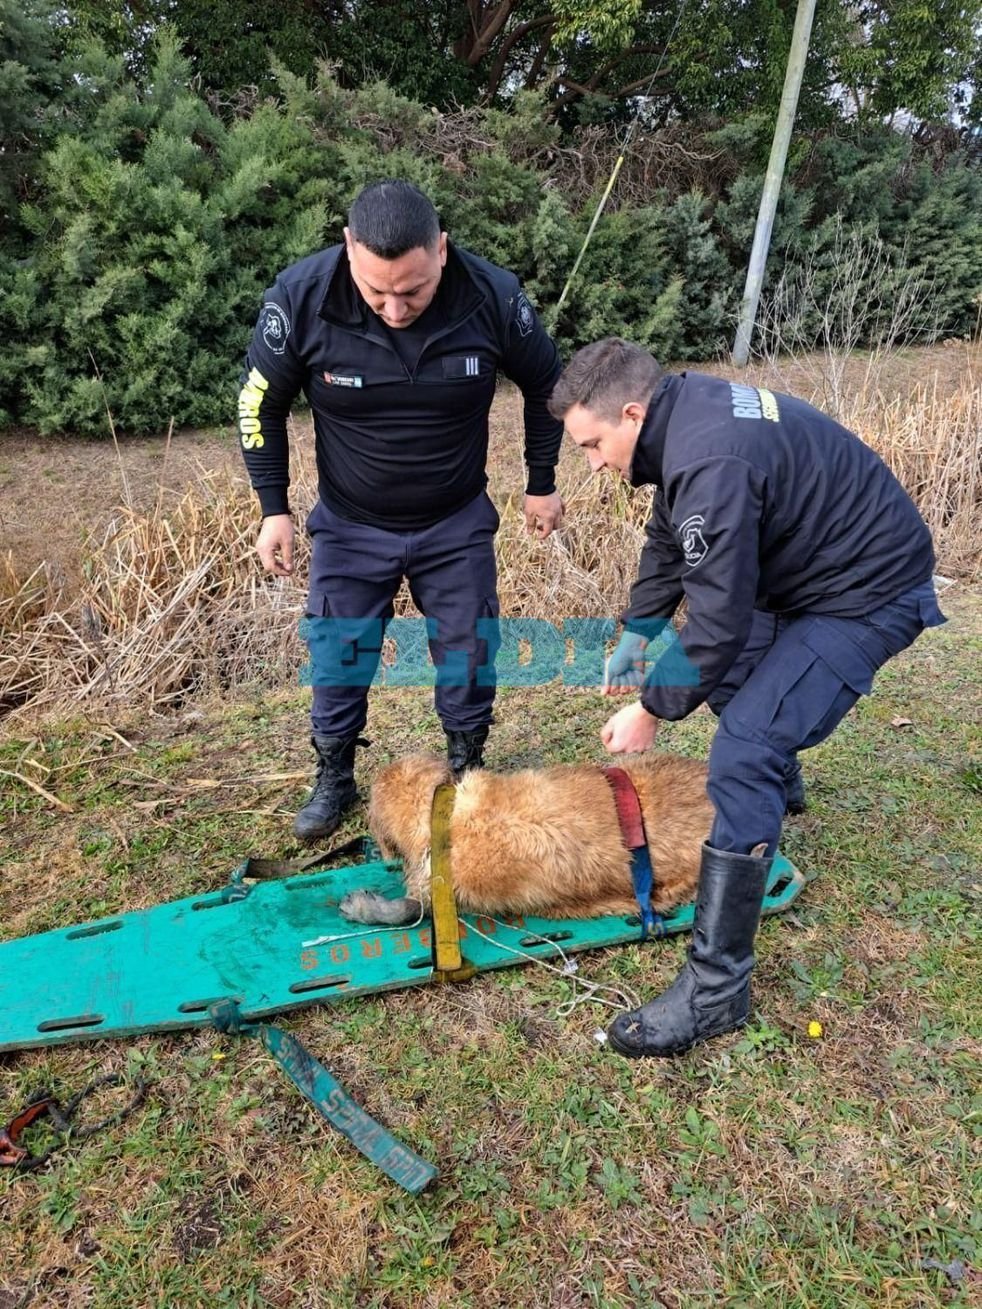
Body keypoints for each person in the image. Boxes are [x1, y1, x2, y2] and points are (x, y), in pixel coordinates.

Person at [548, 337, 945, 1058]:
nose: (592, 462)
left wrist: (650, 708)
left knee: (743, 751)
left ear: (631, 412)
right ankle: (777, 787)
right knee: (736, 686)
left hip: (866, 593)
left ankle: (716, 989)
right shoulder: (684, 418)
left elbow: (719, 622)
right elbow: (671, 540)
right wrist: (638, 633)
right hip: (806, 575)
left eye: (592, 443)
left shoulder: (710, 458)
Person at [238, 180, 565, 840]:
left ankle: (468, 767)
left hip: (455, 520)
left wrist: (541, 479)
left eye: (411, 291)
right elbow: (258, 404)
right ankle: (334, 776)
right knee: (337, 655)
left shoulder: (492, 295)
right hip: (351, 524)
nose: (393, 307)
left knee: (470, 650)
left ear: (441, 251)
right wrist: (273, 506)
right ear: (349, 249)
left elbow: (547, 385)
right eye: (376, 290)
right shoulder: (301, 298)